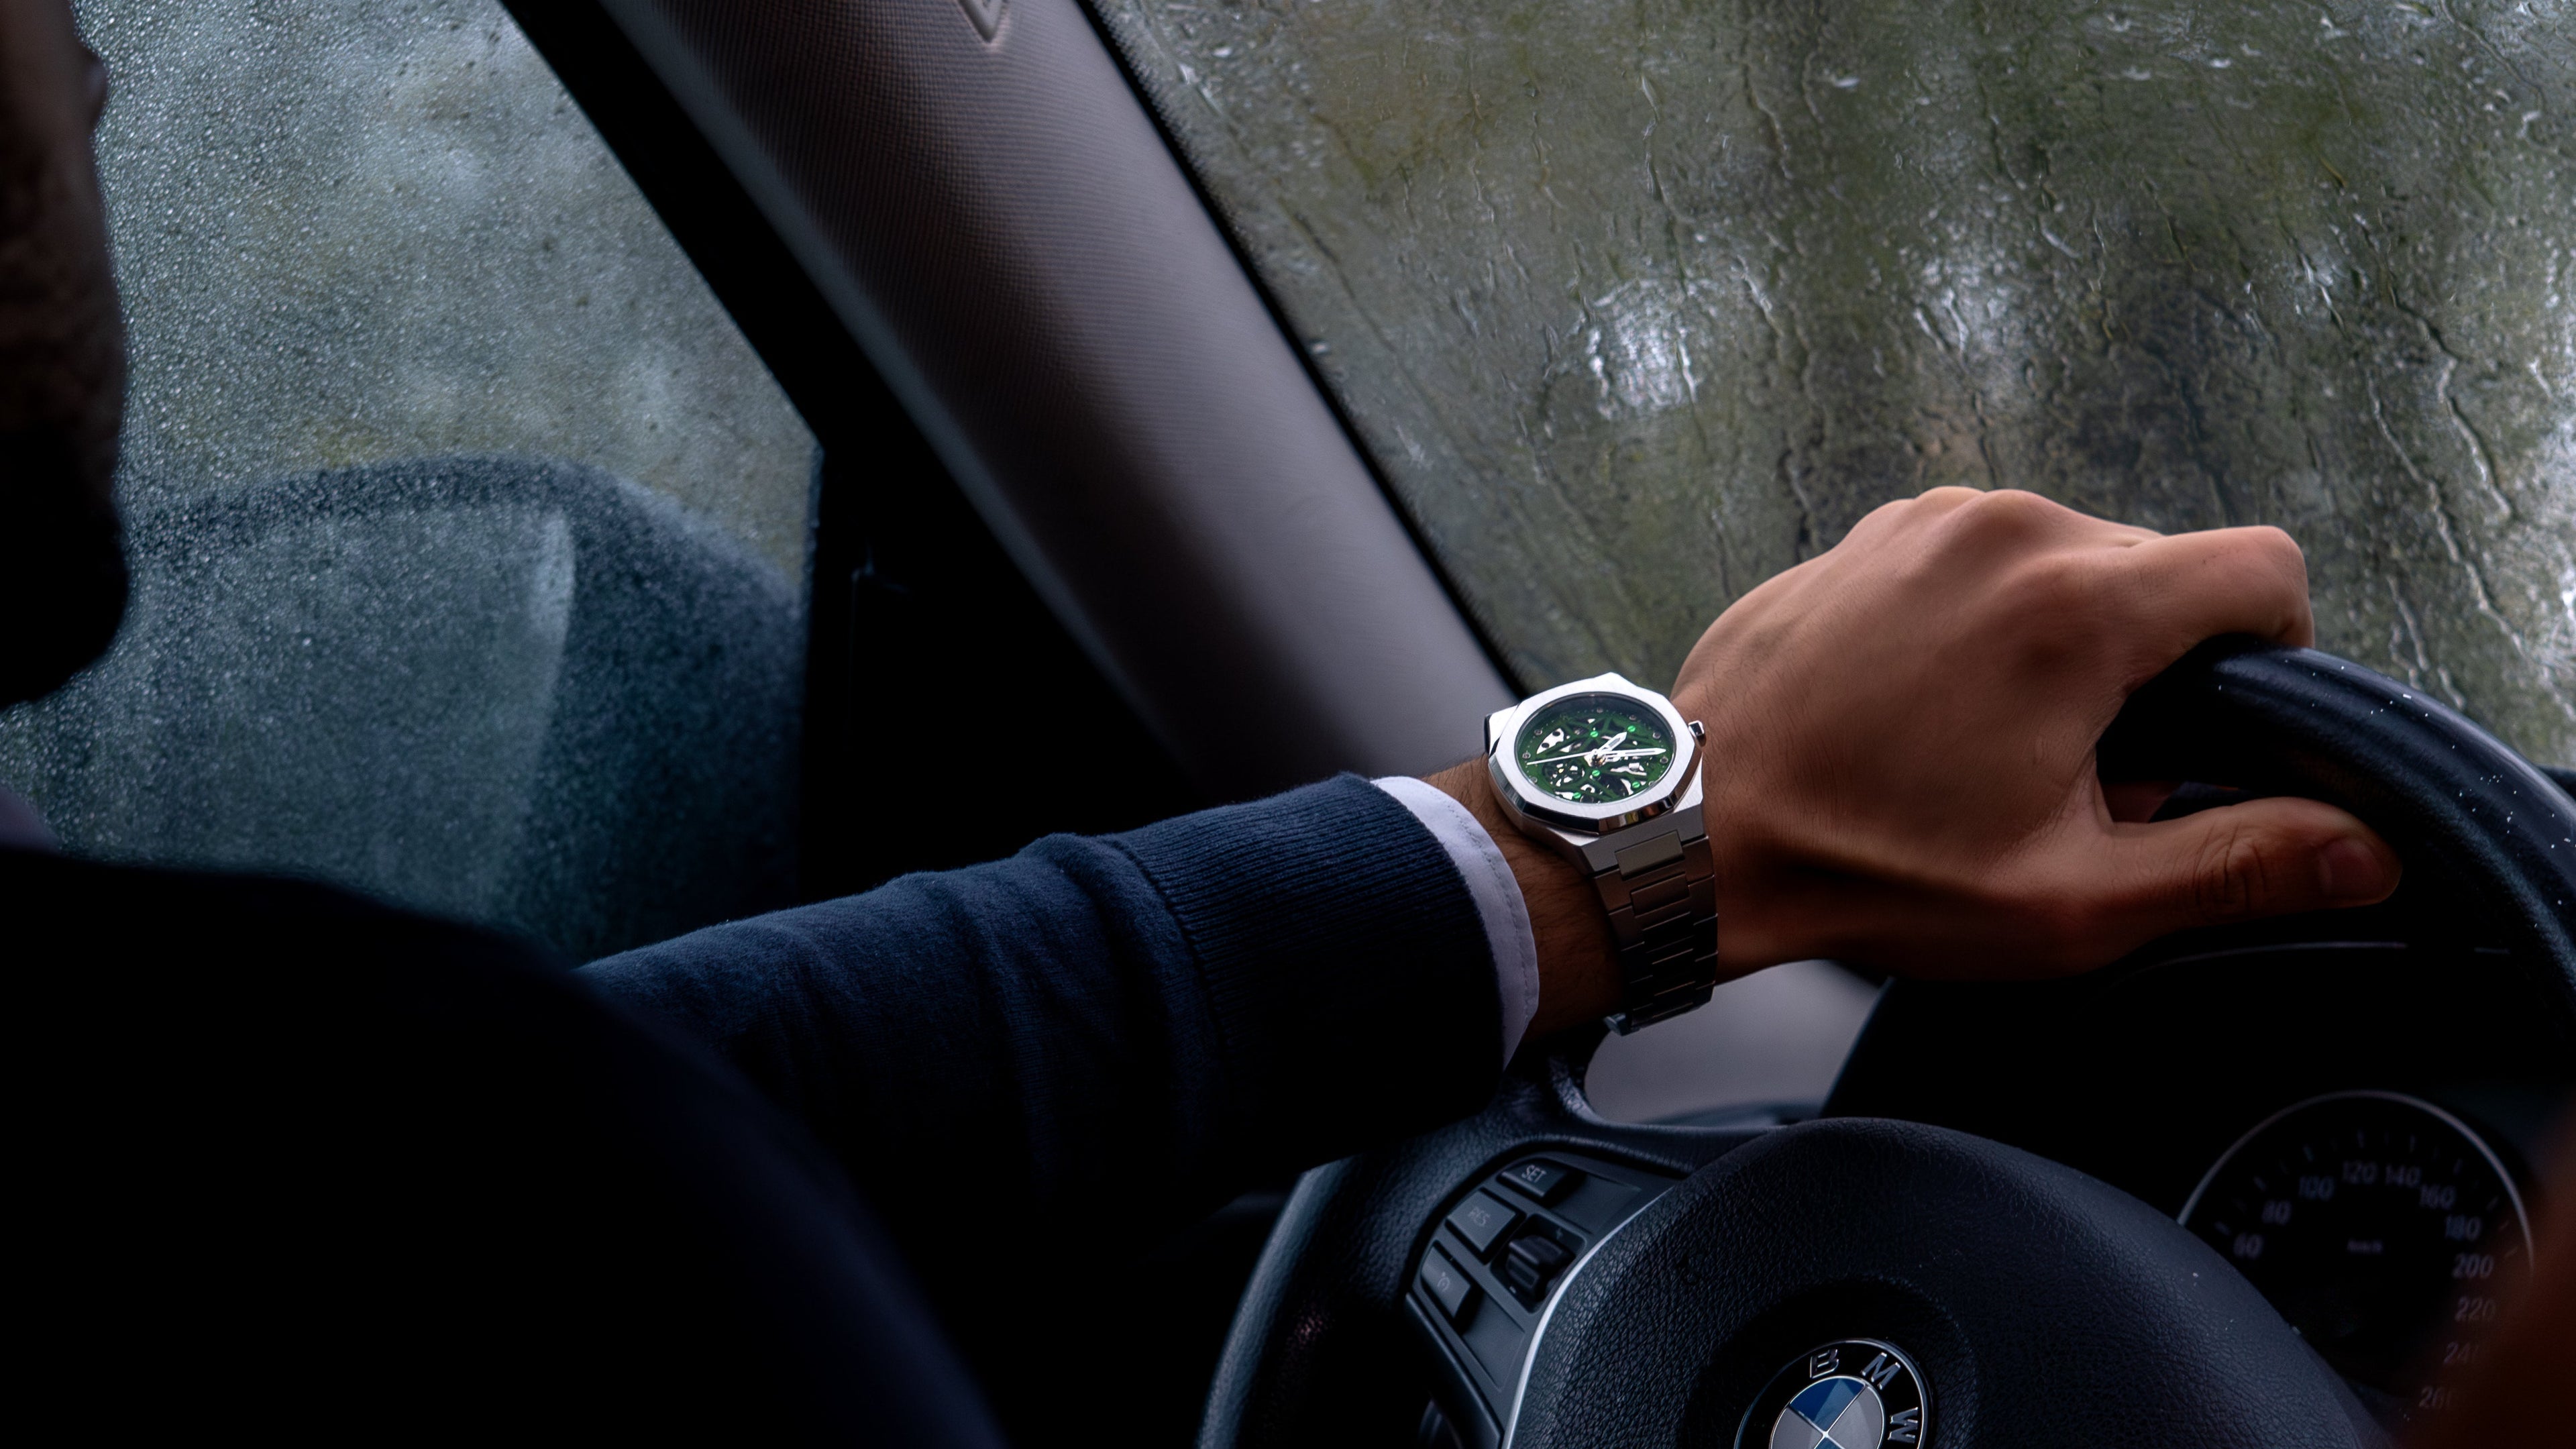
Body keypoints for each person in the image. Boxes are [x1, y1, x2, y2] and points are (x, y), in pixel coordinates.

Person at [0, 0, 2559, 1441]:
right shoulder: (445, 1168)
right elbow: (506, 1149)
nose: (89, 58)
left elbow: (590, 1106)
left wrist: (1643, 840)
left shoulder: (357, 1166)